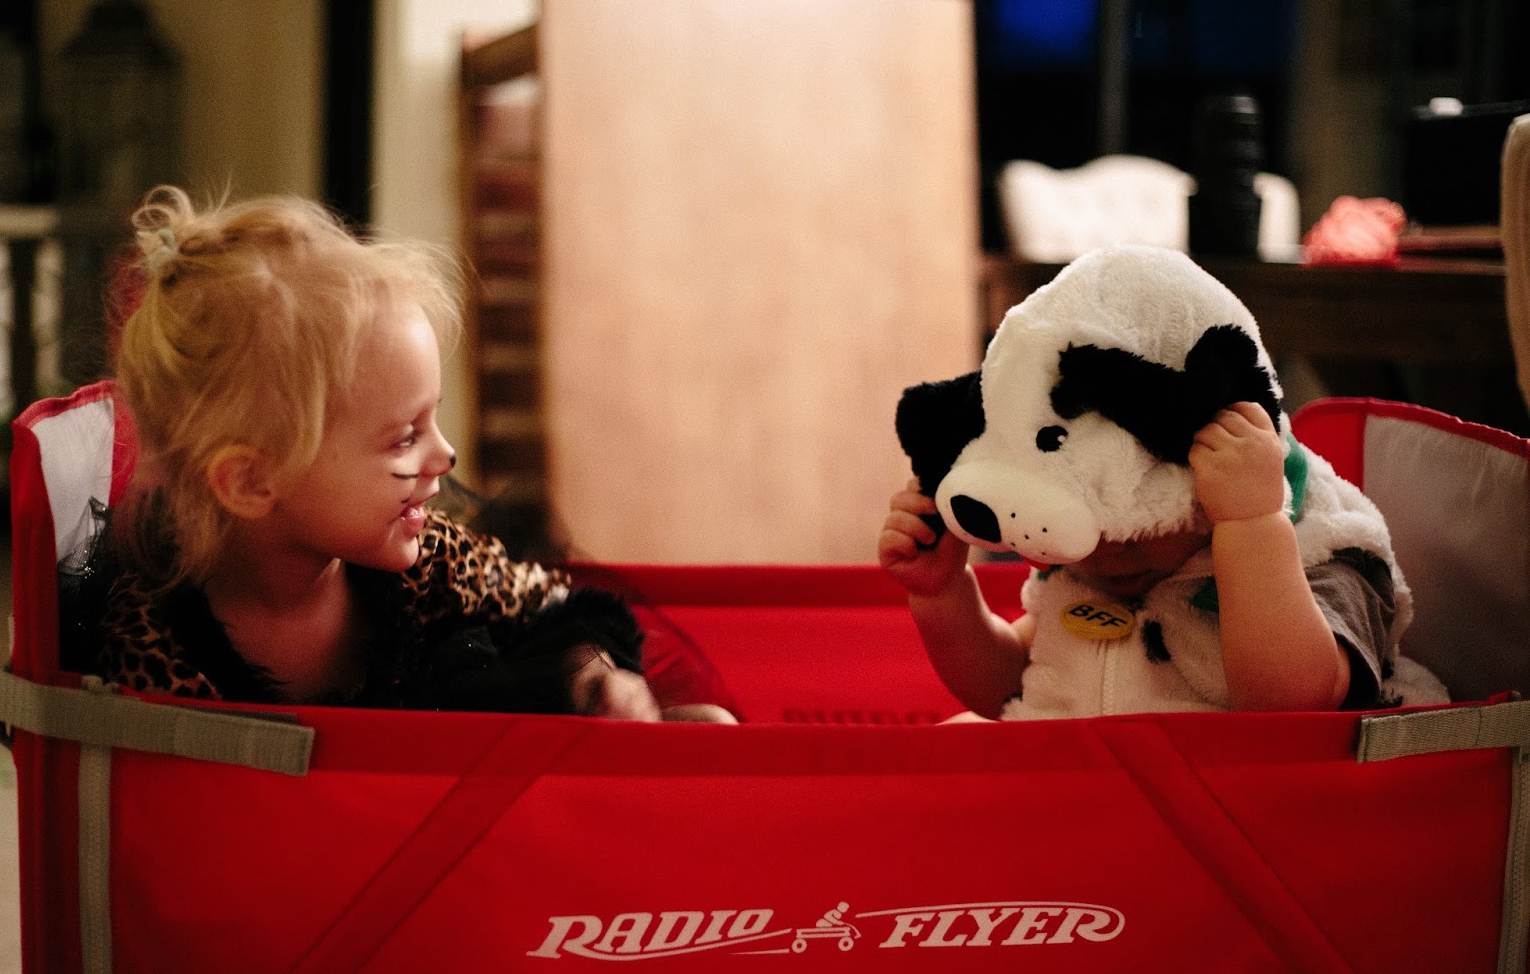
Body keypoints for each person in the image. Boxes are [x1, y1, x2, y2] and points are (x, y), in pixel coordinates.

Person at [88, 185, 729, 721]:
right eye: (404, 437)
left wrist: (594, 675)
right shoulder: (156, 650)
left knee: (702, 721)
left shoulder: (432, 563)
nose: (445, 455)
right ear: (251, 481)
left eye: (433, 419)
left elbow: (561, 606)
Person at [879, 401, 1413, 720]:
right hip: (1083, 811)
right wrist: (944, 595)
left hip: (1239, 831)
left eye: (1141, 517)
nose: (1111, 548)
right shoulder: (1076, 568)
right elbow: (1009, 686)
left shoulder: (1320, 549)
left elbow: (1293, 706)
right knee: (956, 736)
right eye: (1091, 521)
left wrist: (1251, 523)